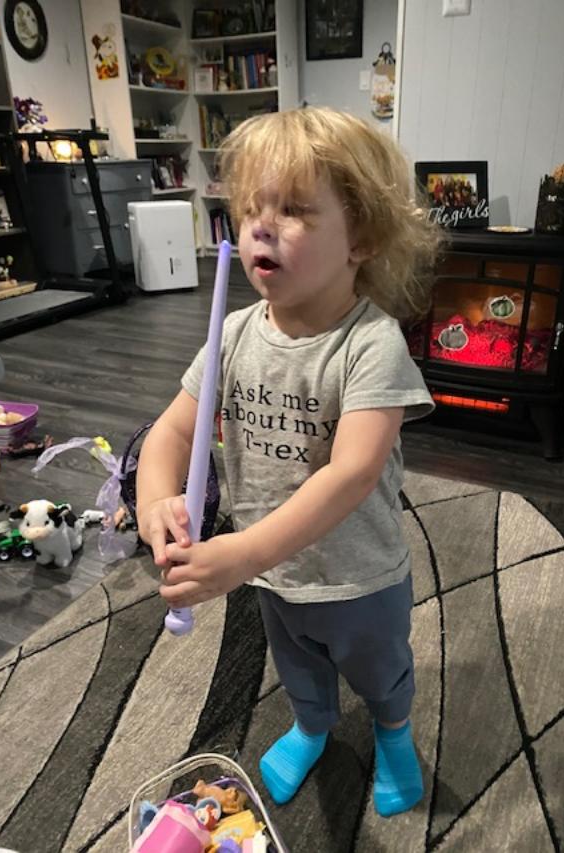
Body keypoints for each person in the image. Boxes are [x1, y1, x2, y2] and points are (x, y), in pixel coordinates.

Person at [136, 106, 440, 817]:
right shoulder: (233, 334)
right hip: (277, 574)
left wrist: (243, 553)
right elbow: (171, 431)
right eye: (251, 209)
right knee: (297, 663)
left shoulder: (371, 345)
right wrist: (154, 502)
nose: (261, 227)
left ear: (361, 238)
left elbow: (353, 472)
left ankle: (394, 731)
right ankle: (311, 725)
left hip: (359, 574)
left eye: (295, 210)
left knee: (380, 670)